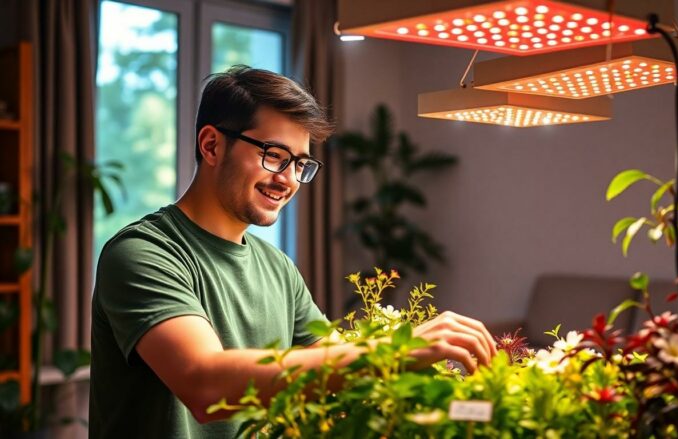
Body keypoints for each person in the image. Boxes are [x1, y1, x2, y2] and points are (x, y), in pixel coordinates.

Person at [89, 66, 497, 438]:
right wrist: (395, 351)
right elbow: (204, 383)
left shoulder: (278, 268)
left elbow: (334, 371)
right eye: (274, 156)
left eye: (300, 164)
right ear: (211, 145)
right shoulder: (144, 253)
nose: (287, 180)